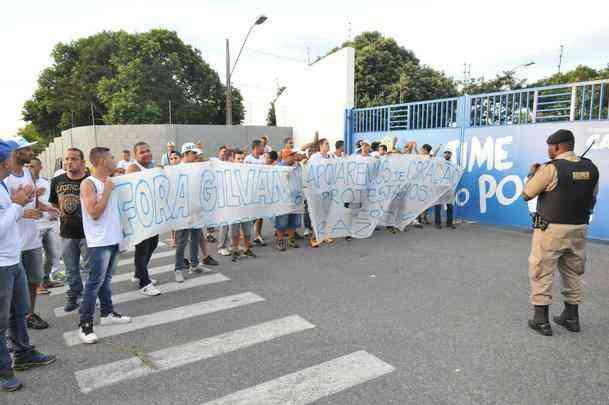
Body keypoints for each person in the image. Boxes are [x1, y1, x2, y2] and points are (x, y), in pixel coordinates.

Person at [521, 129, 599, 336]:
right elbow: (592, 197)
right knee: (573, 271)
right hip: (579, 228)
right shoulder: (592, 168)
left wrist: (532, 174)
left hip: (551, 229)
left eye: (550, 147)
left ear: (556, 147)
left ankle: (541, 320)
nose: (548, 150)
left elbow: (526, 194)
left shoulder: (549, 168)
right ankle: (572, 317)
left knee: (541, 270)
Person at [0, 139, 56, 392]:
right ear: (6, 160)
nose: (20, 158)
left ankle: (22, 354)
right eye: (15, 154)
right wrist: (18, 204)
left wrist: (20, 206)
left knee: (20, 311)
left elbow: (10, 216)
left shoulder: (2, 185)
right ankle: (3, 372)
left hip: (12, 260)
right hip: (2, 264)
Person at [79, 147, 132, 344]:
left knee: (106, 280)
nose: (114, 159)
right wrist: (108, 191)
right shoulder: (88, 183)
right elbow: (93, 212)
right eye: (111, 157)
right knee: (94, 283)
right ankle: (85, 325)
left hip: (113, 238)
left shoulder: (111, 180)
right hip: (99, 242)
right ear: (101, 161)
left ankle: (107, 314)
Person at [5, 136, 57, 330]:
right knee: (12, 287)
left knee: (34, 280)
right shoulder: (6, 177)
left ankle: (28, 314)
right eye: (27, 150)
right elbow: (7, 209)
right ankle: (14, 321)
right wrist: (23, 211)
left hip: (32, 240)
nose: (31, 153)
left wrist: (46, 208)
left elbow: (32, 202)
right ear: (17, 153)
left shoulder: (27, 173)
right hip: (13, 243)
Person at [49, 148, 90, 313]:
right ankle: (73, 296)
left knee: (89, 269)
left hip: (88, 234)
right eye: (66, 159)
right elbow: (54, 202)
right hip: (66, 233)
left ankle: (89, 298)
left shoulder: (90, 180)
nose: (69, 162)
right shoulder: (57, 180)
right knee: (71, 269)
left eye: (73, 158)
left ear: (82, 162)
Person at [173, 143, 216, 283]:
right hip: (183, 212)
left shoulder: (197, 167)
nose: (196, 156)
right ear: (186, 154)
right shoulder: (176, 169)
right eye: (194, 154)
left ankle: (195, 264)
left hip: (196, 209)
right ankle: (178, 269)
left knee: (195, 238)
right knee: (182, 241)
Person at [126, 142, 162, 296]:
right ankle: (144, 283)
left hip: (152, 215)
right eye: (142, 152)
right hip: (140, 217)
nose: (146, 154)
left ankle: (138, 274)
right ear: (136, 156)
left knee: (152, 244)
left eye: (148, 150)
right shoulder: (133, 168)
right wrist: (156, 172)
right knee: (142, 249)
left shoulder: (151, 166)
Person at [29, 157, 64, 291]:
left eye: (34, 166)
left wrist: (55, 212)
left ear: (40, 167)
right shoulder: (25, 183)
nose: (31, 169)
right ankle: (37, 285)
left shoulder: (46, 182)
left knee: (53, 254)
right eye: (29, 167)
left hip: (49, 223)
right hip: (34, 225)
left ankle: (46, 280)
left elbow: (53, 200)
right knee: (37, 257)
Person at [230, 150, 256, 262]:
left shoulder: (247, 172)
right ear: (233, 159)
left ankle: (247, 248)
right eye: (238, 158)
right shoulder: (228, 172)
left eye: (242, 159)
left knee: (247, 230)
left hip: (246, 206)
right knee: (234, 231)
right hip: (234, 206)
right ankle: (235, 249)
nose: (240, 161)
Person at [274, 150, 301, 251]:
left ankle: (291, 239)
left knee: (294, 220)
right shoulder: (279, 167)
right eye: (292, 155)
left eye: (294, 155)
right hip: (283, 199)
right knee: (282, 221)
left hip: (295, 198)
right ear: (285, 157)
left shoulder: (297, 166)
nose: (294, 157)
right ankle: (280, 240)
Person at [245, 139, 267, 246]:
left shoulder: (263, 159)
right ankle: (247, 236)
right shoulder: (248, 159)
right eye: (262, 146)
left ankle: (258, 234)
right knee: (251, 215)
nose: (264, 148)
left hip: (261, 190)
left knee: (260, 214)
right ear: (257, 147)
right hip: (251, 191)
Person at [434, 150, 456, 230]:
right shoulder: (439, 162)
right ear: (443, 154)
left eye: (449, 153)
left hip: (449, 188)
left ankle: (449, 223)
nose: (447, 154)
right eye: (446, 153)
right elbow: (432, 160)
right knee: (438, 206)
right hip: (440, 187)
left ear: (451, 155)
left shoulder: (453, 165)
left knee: (450, 206)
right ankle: (437, 223)